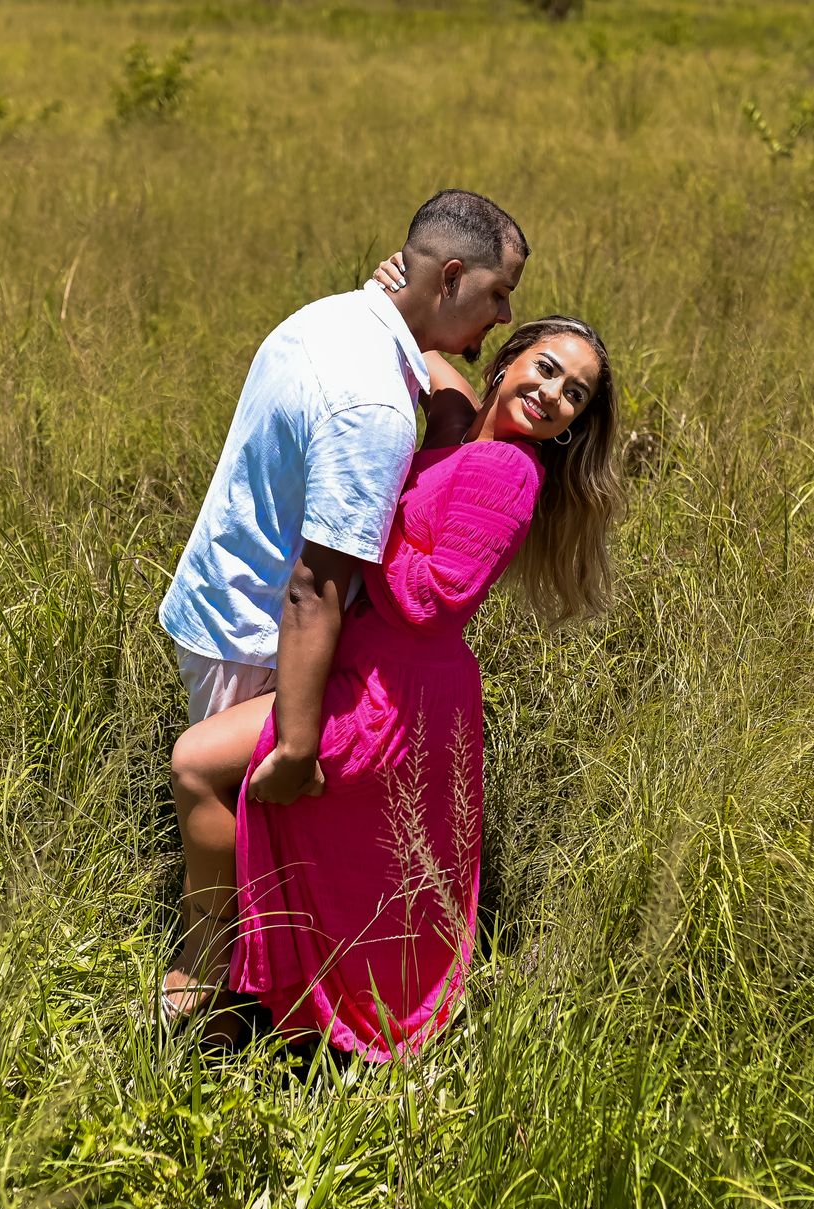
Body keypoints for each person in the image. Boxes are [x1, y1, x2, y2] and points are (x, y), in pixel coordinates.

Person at [171, 314, 621, 1057]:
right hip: (372, 667)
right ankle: (255, 1003)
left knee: (198, 762)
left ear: (574, 423)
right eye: (546, 368)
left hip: (396, 692)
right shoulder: (461, 434)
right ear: (508, 358)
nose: (552, 395)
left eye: (574, 394)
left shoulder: (508, 472)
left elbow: (433, 598)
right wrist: (400, 301)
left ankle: (206, 969)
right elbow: (433, 355)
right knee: (325, 845)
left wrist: (354, 520)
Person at [160, 191, 529, 1020]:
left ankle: (256, 988)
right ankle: (218, 992)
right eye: (499, 293)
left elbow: (439, 378)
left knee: (263, 817)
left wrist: (440, 365)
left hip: (222, 594)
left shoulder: (332, 319)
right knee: (254, 810)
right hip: (263, 632)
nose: (505, 316)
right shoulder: (373, 406)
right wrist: (298, 741)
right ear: (452, 276)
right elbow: (315, 586)